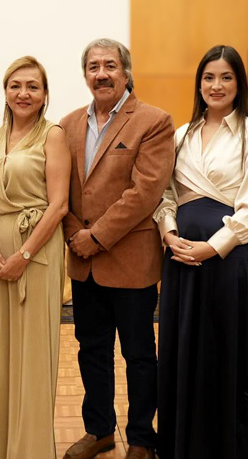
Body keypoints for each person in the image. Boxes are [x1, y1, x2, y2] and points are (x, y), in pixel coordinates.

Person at [153, 45, 248, 459]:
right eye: (209, 77)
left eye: (226, 77)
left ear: (239, 84)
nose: (216, 85)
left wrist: (211, 248)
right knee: (181, 351)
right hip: (180, 260)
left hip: (227, 260)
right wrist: (169, 234)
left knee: (224, 354)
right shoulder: (181, 134)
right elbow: (165, 193)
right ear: (199, 83)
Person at [61, 39, 174, 459]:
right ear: (85, 75)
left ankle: (142, 437)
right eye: (93, 66)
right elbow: (61, 190)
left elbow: (145, 192)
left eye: (110, 65)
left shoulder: (153, 122)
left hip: (131, 262)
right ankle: (99, 431)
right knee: (92, 351)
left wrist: (96, 237)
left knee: (139, 354)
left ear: (126, 72)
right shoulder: (68, 125)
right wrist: (74, 233)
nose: (101, 73)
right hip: (83, 262)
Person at [0, 56, 70, 458]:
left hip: (36, 250)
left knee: (32, 356)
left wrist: (24, 253)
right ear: (5, 91)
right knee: (0, 354)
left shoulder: (53, 135)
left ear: (45, 95)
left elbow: (59, 204)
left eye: (32, 86)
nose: (23, 93)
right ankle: (0, 449)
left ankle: (30, 450)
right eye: (15, 85)